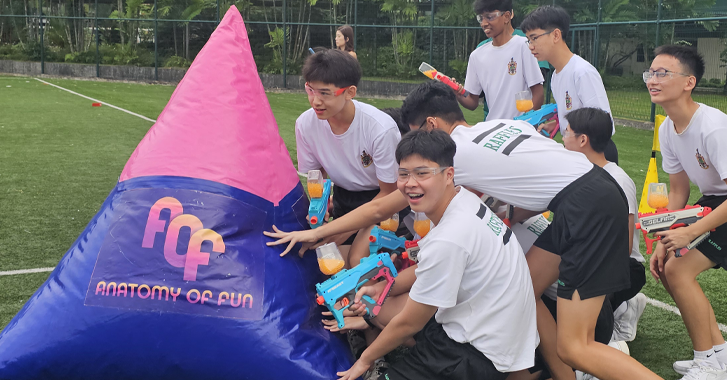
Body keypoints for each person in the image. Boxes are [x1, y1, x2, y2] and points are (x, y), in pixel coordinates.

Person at [267, 81, 661, 380]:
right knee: (526, 285)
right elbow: (538, 174)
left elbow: (380, 206)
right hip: (589, 190)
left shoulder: (453, 155)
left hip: (586, 207)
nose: (416, 158)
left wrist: (317, 233)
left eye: (417, 137)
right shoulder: (498, 125)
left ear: (432, 126)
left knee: (577, 346)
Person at [327, 129, 539, 380]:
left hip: (476, 351)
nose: (410, 183)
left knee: (394, 320)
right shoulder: (464, 201)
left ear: (448, 175)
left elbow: (410, 322)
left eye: (422, 173)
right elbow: (420, 273)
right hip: (501, 331)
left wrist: (365, 360)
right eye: (404, 174)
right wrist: (382, 289)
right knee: (381, 309)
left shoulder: (450, 238)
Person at [646, 45, 727, 380]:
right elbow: (678, 190)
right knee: (669, 266)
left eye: (663, 73)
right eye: (651, 73)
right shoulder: (666, 128)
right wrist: (665, 238)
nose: (653, 79)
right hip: (718, 198)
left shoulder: (712, 127)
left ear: (689, 82)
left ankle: (707, 362)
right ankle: (723, 360)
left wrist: (689, 232)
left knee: (678, 272)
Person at [294, 49, 401, 266]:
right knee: (315, 262)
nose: (315, 101)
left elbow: (390, 193)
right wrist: (321, 207)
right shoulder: (305, 124)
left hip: (385, 203)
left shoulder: (380, 128)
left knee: (356, 261)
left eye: (325, 93)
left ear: (350, 92)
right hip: (343, 200)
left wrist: (341, 229)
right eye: (310, 90)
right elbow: (317, 178)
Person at [561, 107, 647, 344]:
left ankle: (608, 344)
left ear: (582, 140)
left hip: (623, 267)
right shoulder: (581, 173)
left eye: (566, 132)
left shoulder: (617, 180)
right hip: (596, 259)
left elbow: (625, 245)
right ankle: (623, 309)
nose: (562, 138)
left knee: (575, 297)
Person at [520, 5, 617, 163]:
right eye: (528, 40)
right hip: (576, 157)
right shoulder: (556, 76)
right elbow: (574, 114)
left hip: (596, 158)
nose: (531, 46)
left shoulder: (582, 72)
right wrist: (557, 125)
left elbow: (604, 125)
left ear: (556, 35)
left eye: (534, 38)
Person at [456, 0, 544, 121]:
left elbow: (538, 93)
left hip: (520, 130)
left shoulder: (523, 45)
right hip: (493, 131)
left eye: (489, 17)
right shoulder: (476, 56)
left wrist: (526, 123)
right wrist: (456, 93)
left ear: (507, 16)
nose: (484, 23)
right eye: (481, 18)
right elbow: (472, 102)